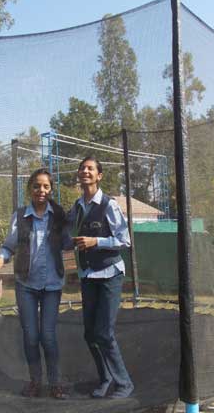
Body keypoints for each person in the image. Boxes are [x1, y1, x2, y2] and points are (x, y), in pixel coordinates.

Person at [0, 168, 70, 399]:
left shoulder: (59, 215)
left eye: (46, 186)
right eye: (36, 186)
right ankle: (35, 381)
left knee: (48, 336)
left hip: (52, 284)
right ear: (30, 189)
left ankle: (55, 383)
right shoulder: (21, 215)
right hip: (26, 285)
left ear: (51, 189)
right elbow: (9, 246)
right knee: (31, 336)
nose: (41, 190)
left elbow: (68, 242)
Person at [68, 156, 134, 399]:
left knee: (104, 333)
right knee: (90, 334)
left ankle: (124, 384)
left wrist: (96, 241)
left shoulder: (108, 205)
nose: (85, 171)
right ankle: (105, 378)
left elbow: (124, 240)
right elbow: (65, 231)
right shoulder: (77, 206)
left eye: (90, 168)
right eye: (82, 168)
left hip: (109, 274)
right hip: (88, 275)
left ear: (99, 176)